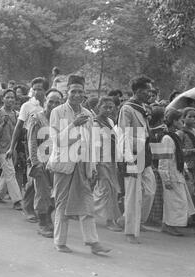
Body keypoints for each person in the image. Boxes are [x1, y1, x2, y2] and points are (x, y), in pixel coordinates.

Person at [47, 75, 111, 255]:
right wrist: (73, 125)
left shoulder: (88, 114)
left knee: (87, 203)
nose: (76, 95)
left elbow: (91, 142)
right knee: (62, 204)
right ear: (67, 92)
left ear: (84, 94)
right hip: (64, 165)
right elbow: (57, 141)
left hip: (83, 165)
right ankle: (59, 242)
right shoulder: (57, 112)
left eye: (80, 92)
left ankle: (93, 242)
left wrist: (93, 166)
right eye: (73, 91)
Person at [117, 76, 156, 244]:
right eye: (148, 90)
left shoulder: (143, 107)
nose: (150, 93)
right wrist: (128, 159)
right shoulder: (127, 109)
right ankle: (130, 232)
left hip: (144, 154)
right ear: (138, 91)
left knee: (149, 190)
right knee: (133, 194)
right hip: (132, 155)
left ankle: (130, 219)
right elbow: (123, 135)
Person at [6, 77, 49, 222]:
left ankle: (30, 205)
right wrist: (11, 147)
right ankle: (31, 209)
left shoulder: (50, 105)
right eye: (34, 89)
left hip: (48, 143)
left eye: (40, 89)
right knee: (35, 175)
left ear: (46, 90)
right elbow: (19, 127)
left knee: (36, 178)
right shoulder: (27, 106)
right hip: (31, 143)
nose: (37, 92)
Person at [26, 88, 63, 238]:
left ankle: (47, 216)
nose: (53, 104)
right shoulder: (36, 118)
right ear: (45, 101)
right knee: (42, 193)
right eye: (51, 101)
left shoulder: (61, 120)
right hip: (40, 161)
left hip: (56, 161)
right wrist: (35, 162)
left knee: (58, 192)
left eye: (57, 102)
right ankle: (43, 223)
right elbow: (32, 141)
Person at [159, 109, 195, 236]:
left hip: (177, 173)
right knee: (176, 202)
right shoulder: (167, 138)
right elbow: (163, 160)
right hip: (171, 174)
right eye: (180, 120)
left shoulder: (174, 136)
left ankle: (167, 224)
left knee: (177, 201)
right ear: (174, 121)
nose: (182, 122)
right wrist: (166, 179)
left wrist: (184, 169)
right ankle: (170, 225)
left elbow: (178, 156)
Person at [93, 97, 123, 232]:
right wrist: (95, 164)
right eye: (105, 107)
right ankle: (109, 220)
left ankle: (86, 209)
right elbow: (94, 146)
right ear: (99, 107)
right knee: (107, 190)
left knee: (111, 190)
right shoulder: (95, 124)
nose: (108, 110)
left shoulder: (110, 121)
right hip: (101, 160)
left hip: (112, 160)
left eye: (111, 107)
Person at [0, 89, 23, 210]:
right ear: (3, 99)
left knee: (7, 171)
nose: (10, 100)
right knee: (10, 172)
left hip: (12, 147)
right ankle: (17, 200)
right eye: (7, 97)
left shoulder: (17, 114)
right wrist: (2, 124)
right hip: (2, 148)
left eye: (12, 98)